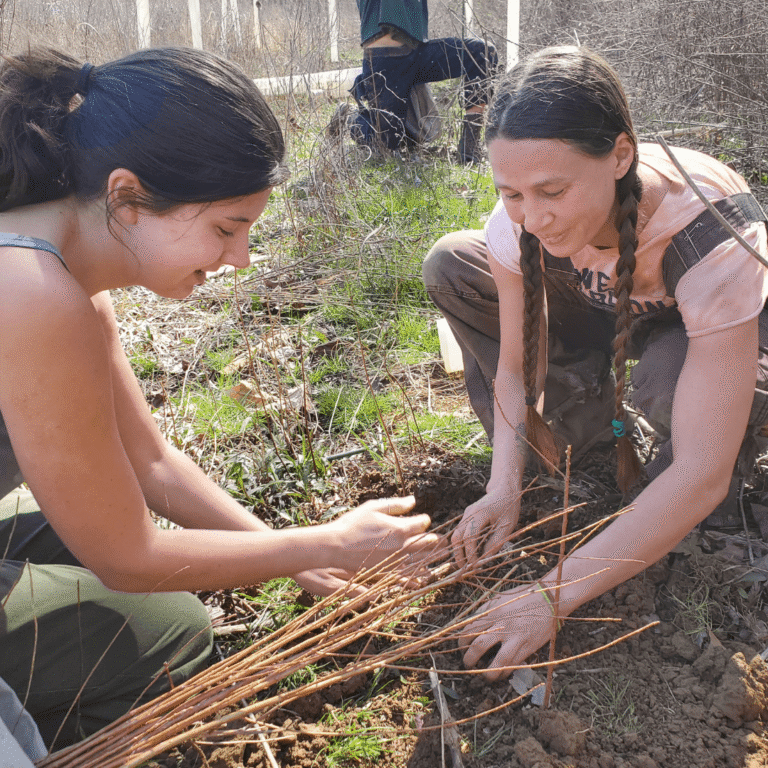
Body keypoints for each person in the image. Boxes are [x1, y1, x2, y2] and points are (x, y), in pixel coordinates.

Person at [0, 47, 441, 749]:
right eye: (225, 229)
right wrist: (329, 540)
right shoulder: (31, 295)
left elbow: (150, 467)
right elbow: (127, 556)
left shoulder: (59, 265)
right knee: (166, 633)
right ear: (126, 197)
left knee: (123, 573)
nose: (239, 259)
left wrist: (288, 553)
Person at [422, 46, 768, 678]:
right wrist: (504, 485)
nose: (533, 215)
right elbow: (512, 366)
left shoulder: (714, 235)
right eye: (512, 193)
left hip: (688, 322)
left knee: (671, 401)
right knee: (452, 259)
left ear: (620, 155)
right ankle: (594, 455)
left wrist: (552, 596)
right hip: (601, 302)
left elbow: (700, 469)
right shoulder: (524, 220)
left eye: (553, 190)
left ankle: (711, 494)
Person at [338, 0, 498, 162]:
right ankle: (349, 118)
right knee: (388, 146)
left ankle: (469, 148)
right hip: (384, 58)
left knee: (482, 53)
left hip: (417, 52)